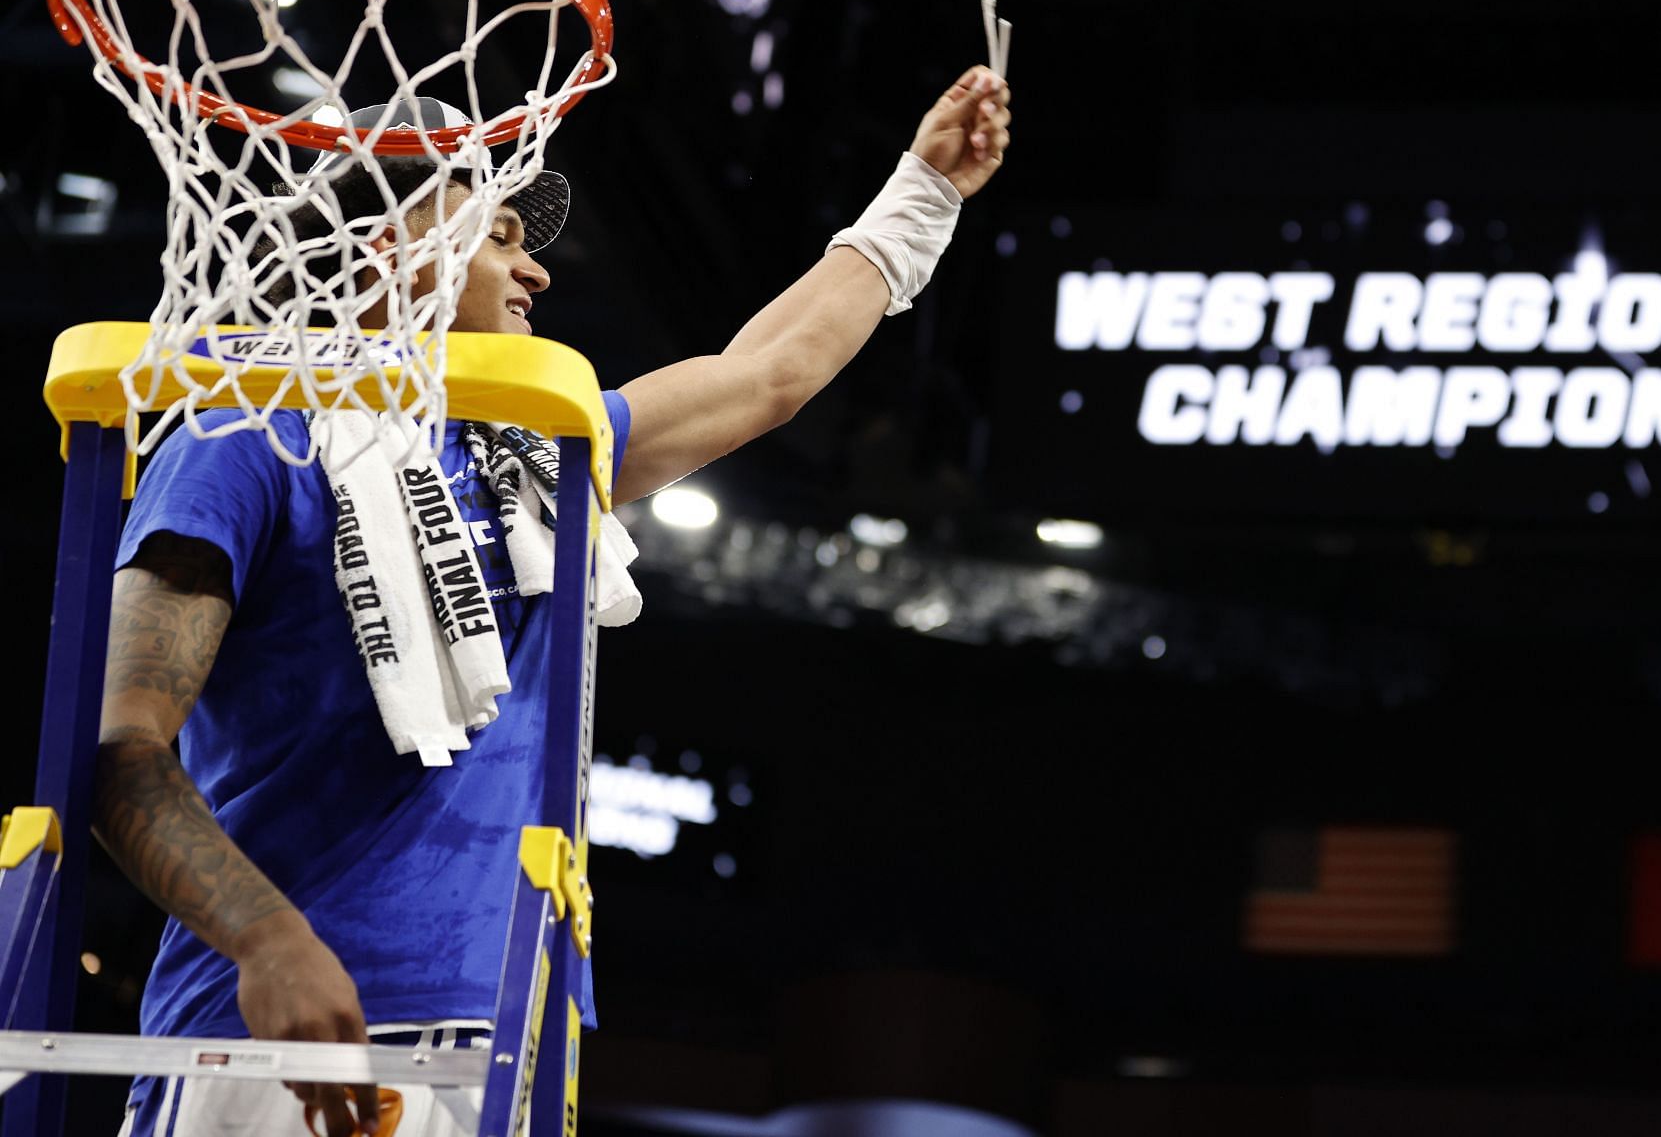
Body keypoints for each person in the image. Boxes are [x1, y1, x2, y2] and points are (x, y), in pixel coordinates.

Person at [95, 66, 1013, 1137]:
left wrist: (924, 191)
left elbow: (768, 372)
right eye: (500, 236)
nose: (535, 267)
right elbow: (121, 748)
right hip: (285, 1038)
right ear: (390, 241)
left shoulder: (537, 449)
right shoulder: (247, 440)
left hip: (507, 1040)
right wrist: (267, 939)